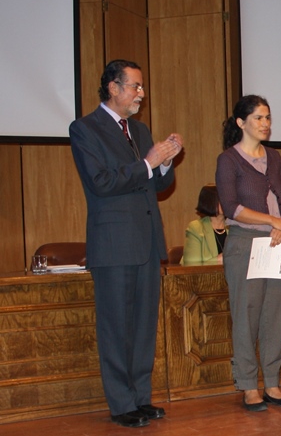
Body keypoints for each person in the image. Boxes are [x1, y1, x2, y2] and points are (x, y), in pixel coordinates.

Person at [69, 59, 183, 428]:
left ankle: (140, 398)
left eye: (141, 87)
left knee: (143, 326)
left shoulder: (140, 128)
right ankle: (121, 404)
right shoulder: (85, 129)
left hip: (147, 242)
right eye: (135, 86)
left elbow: (159, 185)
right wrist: (150, 162)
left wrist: (165, 163)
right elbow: (101, 181)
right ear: (112, 88)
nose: (140, 94)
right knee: (117, 326)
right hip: (114, 244)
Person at [215, 95, 281, 411]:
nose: (265, 124)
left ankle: (272, 384)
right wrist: (272, 221)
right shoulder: (229, 160)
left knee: (275, 315)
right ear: (241, 122)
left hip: (278, 243)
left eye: (268, 118)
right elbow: (233, 206)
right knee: (246, 315)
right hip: (245, 243)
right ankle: (249, 386)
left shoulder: (274, 157)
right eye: (259, 118)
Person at [182, 185, 227, 264]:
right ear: (209, 201)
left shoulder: (236, 227)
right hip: (207, 276)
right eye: (223, 198)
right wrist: (217, 261)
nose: (228, 202)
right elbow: (191, 267)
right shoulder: (196, 228)